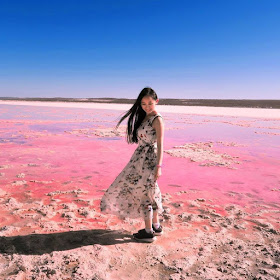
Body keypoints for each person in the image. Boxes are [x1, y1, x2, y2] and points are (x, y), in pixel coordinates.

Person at [100, 87, 164, 243]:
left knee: (146, 193)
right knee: (150, 190)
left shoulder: (157, 119)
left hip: (149, 159)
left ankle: (148, 232)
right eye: (143, 104)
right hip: (139, 159)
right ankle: (156, 226)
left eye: (150, 103)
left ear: (156, 101)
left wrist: (159, 167)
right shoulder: (145, 117)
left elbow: (161, 145)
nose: (147, 106)